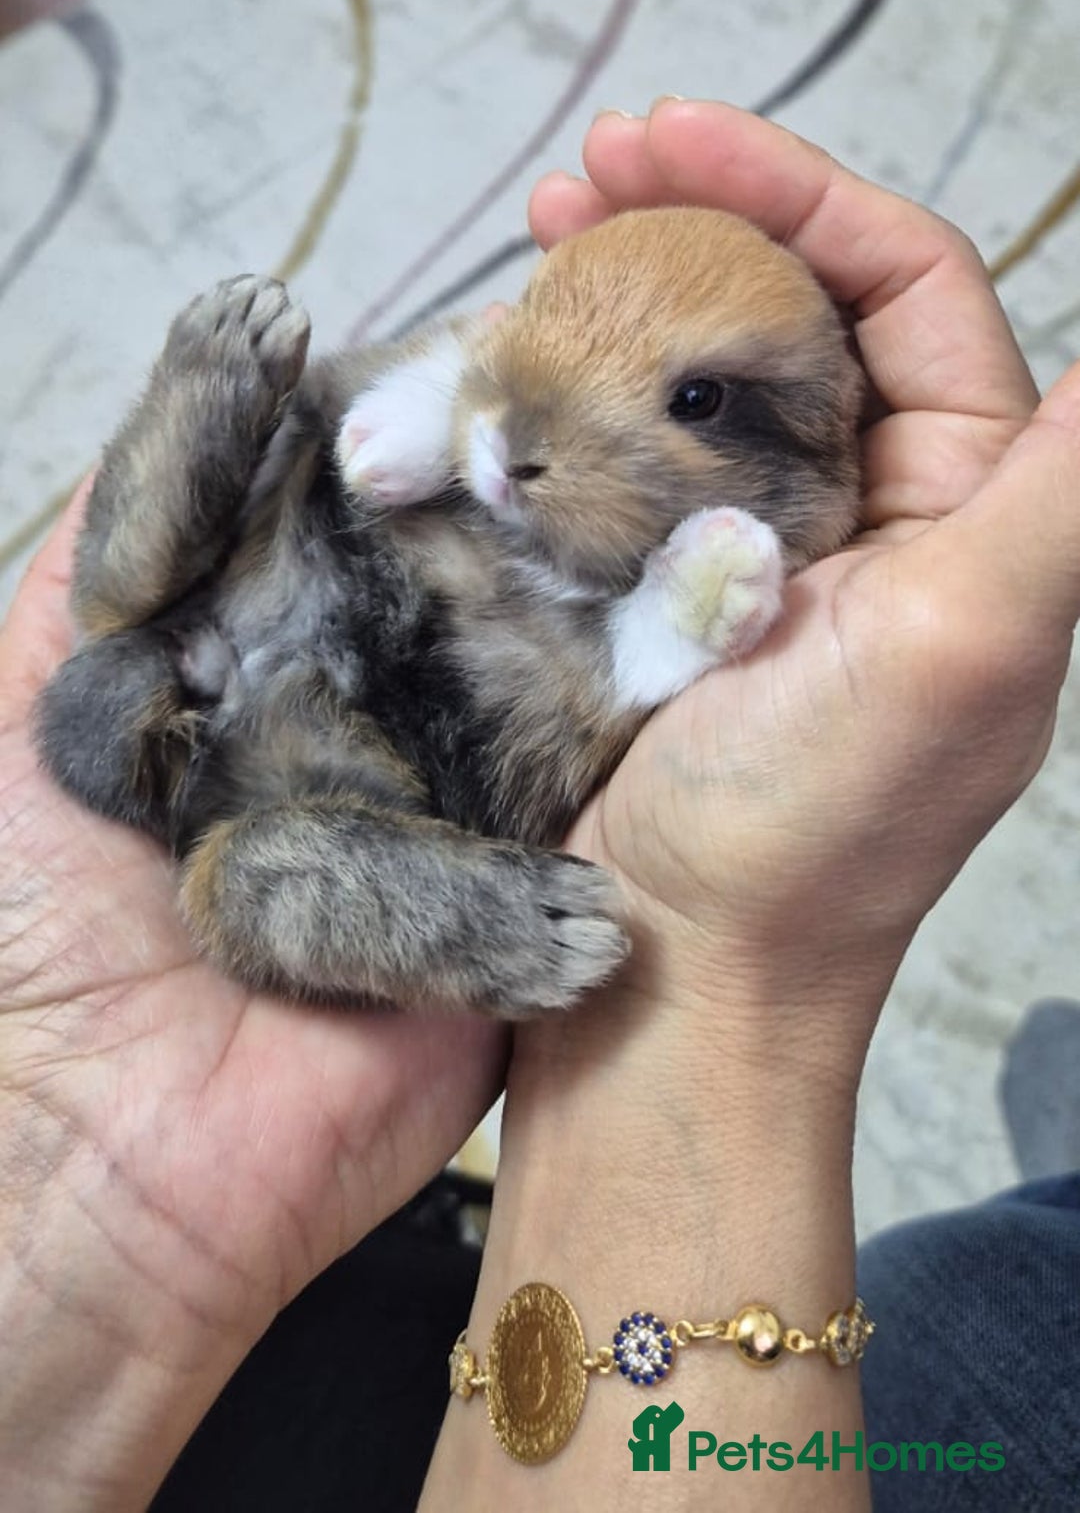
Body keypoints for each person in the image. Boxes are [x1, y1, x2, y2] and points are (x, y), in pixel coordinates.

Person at [0, 100, 1077, 1512]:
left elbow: (630, 675)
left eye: (690, 401)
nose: (531, 426)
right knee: (131, 607)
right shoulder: (481, 406)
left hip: (362, 774)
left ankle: (446, 917)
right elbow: (391, 415)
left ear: (801, 459)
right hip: (249, 580)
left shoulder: (731, 551)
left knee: (267, 875)